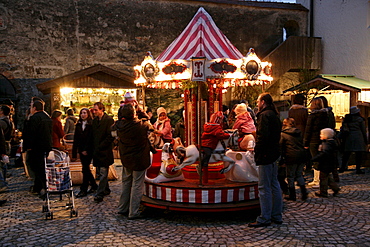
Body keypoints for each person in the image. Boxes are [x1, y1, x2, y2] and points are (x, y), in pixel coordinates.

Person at [248, 93, 283, 227]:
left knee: (264, 186)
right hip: (274, 153)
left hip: (265, 154)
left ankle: (265, 217)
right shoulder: (274, 114)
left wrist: (258, 152)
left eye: (258, 101)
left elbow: (262, 136)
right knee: (274, 184)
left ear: (263, 102)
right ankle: (277, 215)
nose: (257, 103)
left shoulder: (264, 116)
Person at [113, 104, 153, 219]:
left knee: (126, 183)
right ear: (133, 114)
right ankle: (133, 212)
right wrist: (141, 111)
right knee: (137, 185)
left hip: (126, 158)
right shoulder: (141, 125)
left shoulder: (118, 126)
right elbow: (149, 124)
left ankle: (122, 207)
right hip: (139, 159)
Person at [24, 100, 52, 198]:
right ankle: (37, 187)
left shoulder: (35, 118)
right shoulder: (47, 117)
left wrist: (29, 147)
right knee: (40, 167)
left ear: (34, 108)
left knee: (37, 168)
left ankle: (43, 187)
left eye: (31, 107)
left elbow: (31, 133)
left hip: (36, 147)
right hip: (45, 146)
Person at [90, 102, 115, 203]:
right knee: (100, 171)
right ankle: (106, 189)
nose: (94, 112)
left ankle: (100, 193)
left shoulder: (109, 120)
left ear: (101, 110)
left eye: (96, 110)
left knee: (103, 172)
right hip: (97, 150)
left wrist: (102, 145)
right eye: (93, 110)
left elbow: (111, 136)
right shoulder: (95, 121)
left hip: (105, 150)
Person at [303, 97, 329, 188]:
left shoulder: (312, 115)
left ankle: (317, 180)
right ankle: (322, 180)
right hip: (323, 139)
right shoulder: (325, 114)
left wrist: (305, 143)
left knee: (315, 159)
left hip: (313, 140)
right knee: (322, 159)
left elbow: (308, 129)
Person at [280, 118, 308, 201]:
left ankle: (292, 195)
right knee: (299, 174)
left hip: (291, 156)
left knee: (290, 176)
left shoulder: (283, 134)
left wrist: (282, 160)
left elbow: (281, 147)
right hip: (301, 155)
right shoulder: (298, 132)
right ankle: (304, 193)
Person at [72, 108, 97, 198]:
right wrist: (74, 152)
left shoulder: (91, 124)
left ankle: (84, 189)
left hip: (89, 149)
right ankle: (94, 185)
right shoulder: (78, 124)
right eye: (81, 113)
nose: (83, 115)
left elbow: (91, 138)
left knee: (85, 168)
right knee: (85, 168)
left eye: (85, 113)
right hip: (81, 149)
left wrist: (86, 149)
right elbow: (76, 138)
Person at [312, 128, 340, 197]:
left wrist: (314, 159)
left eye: (321, 134)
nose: (320, 135)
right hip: (329, 163)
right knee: (328, 177)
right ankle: (335, 188)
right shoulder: (331, 142)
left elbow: (324, 153)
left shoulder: (326, 143)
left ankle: (323, 192)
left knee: (323, 178)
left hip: (325, 163)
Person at [339, 106, 367, 174]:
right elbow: (363, 130)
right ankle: (358, 169)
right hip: (358, 136)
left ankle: (343, 167)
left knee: (347, 153)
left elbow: (343, 128)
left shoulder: (347, 119)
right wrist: (365, 139)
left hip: (349, 137)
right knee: (358, 154)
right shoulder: (360, 119)